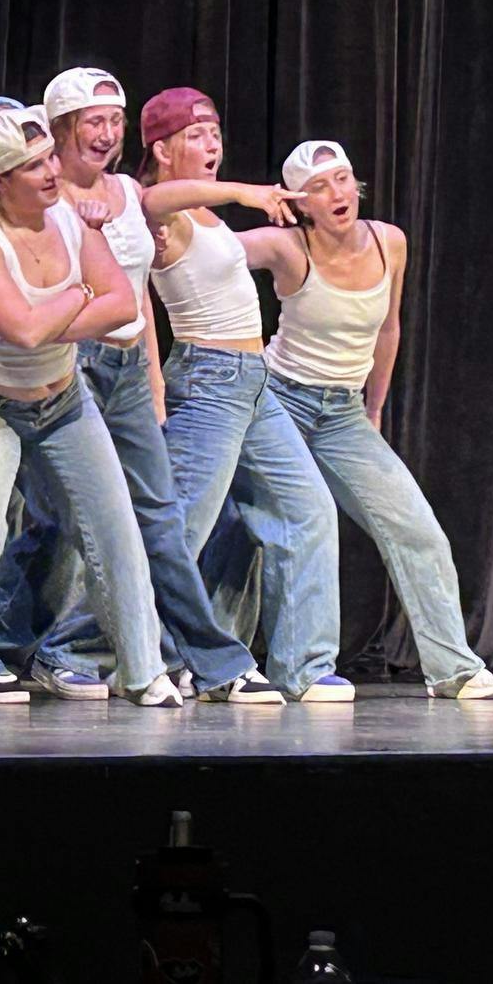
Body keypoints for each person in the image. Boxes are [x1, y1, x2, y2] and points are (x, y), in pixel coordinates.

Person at [0, 68, 295, 703]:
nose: (106, 133)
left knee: (161, 520)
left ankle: (213, 662)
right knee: (59, 521)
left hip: (122, 373)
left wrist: (151, 377)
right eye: (93, 122)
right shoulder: (40, 192)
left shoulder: (124, 191)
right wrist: (251, 193)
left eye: (115, 121)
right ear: (62, 129)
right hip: (67, 369)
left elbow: (139, 294)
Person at [0, 102, 181, 705]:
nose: (50, 173)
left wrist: (68, 300)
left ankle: (144, 671)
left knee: (115, 527)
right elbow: (26, 331)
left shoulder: (68, 216)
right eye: (33, 167)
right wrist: (81, 294)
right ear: (1, 181)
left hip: (63, 399)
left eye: (48, 161)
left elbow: (122, 305)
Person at [237, 140, 493, 699]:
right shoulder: (288, 246)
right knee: (272, 529)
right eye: (319, 187)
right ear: (300, 202)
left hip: (342, 411)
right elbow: (212, 252)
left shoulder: (390, 242)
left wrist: (376, 407)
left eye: (342, 179)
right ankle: (291, 669)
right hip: (276, 400)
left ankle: (454, 667)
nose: (337, 193)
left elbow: (389, 328)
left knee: (415, 528)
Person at [140, 87, 352, 702]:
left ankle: (306, 667)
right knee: (177, 527)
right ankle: (85, 646)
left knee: (307, 509)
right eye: (197, 135)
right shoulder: (164, 212)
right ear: (161, 148)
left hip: (253, 383)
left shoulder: (206, 216)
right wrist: (241, 192)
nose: (213, 145)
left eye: (215, 133)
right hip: (207, 382)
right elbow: (152, 198)